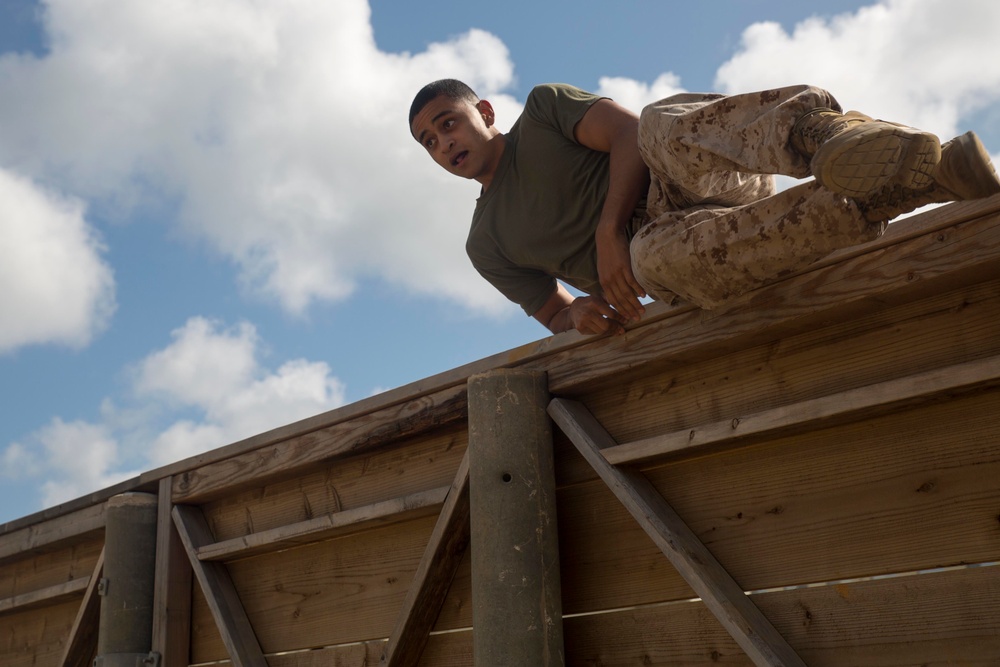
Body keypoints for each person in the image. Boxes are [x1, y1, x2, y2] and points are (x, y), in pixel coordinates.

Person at [409, 80, 1000, 336]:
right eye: (430, 143)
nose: (445, 144)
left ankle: (826, 136)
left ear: (483, 112)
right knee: (650, 260)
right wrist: (580, 315)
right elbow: (555, 314)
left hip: (687, 176)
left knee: (662, 122)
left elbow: (626, 133)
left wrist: (607, 228)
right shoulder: (484, 244)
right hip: (678, 248)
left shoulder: (543, 111)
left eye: (448, 123)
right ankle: (921, 179)